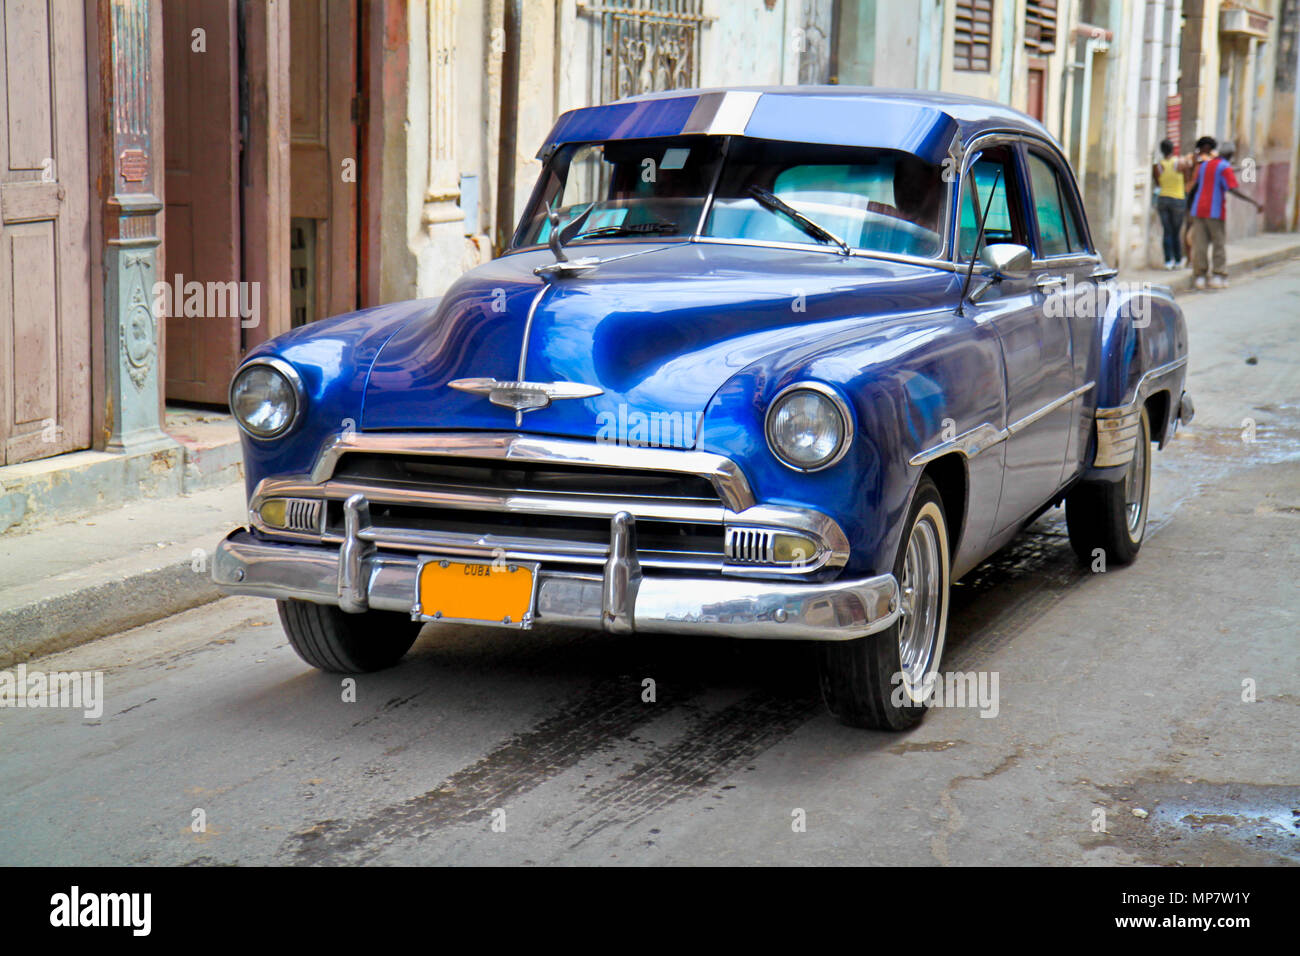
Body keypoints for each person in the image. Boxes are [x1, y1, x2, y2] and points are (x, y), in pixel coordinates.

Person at [1186, 135, 1263, 290]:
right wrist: (1254, 202)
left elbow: (1196, 186)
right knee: (1218, 244)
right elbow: (1233, 189)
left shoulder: (1204, 166)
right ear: (1230, 155)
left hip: (1198, 209)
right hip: (1214, 211)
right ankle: (1218, 275)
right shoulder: (1225, 167)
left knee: (1200, 245)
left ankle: (1200, 276)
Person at [1152, 139, 1185, 270]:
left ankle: (1168, 261)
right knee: (1176, 232)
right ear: (1173, 149)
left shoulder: (1158, 166)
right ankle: (1178, 260)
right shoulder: (1179, 163)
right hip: (1177, 199)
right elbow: (1188, 175)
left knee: (1167, 231)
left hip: (1163, 199)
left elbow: (1158, 183)